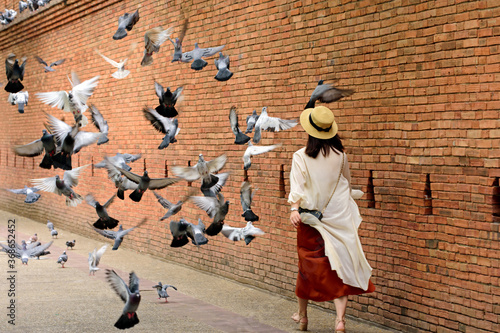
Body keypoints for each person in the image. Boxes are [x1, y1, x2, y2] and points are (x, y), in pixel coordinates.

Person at [288, 105, 375, 332]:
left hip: (309, 221)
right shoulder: (341, 156)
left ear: (310, 130)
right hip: (339, 220)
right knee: (340, 268)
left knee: (306, 269)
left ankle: (303, 317)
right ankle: (339, 321)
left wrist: (294, 209)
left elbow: (297, 186)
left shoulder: (301, 156)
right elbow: (345, 185)